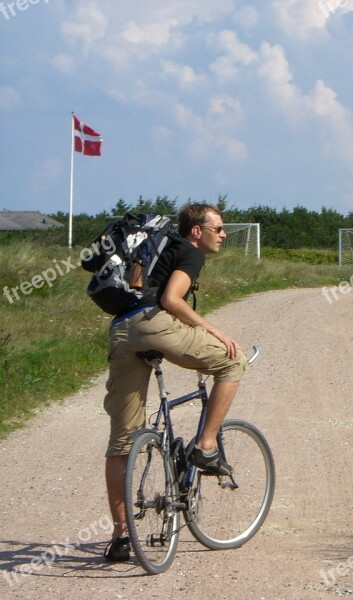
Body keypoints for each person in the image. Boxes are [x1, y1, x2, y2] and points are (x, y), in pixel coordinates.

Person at [102, 203, 249, 561]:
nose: (224, 235)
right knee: (234, 362)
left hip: (122, 330)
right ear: (197, 231)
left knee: (122, 440)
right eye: (219, 229)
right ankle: (206, 446)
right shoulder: (189, 251)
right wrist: (213, 330)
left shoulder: (161, 248)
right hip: (154, 324)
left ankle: (122, 535)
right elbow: (171, 299)